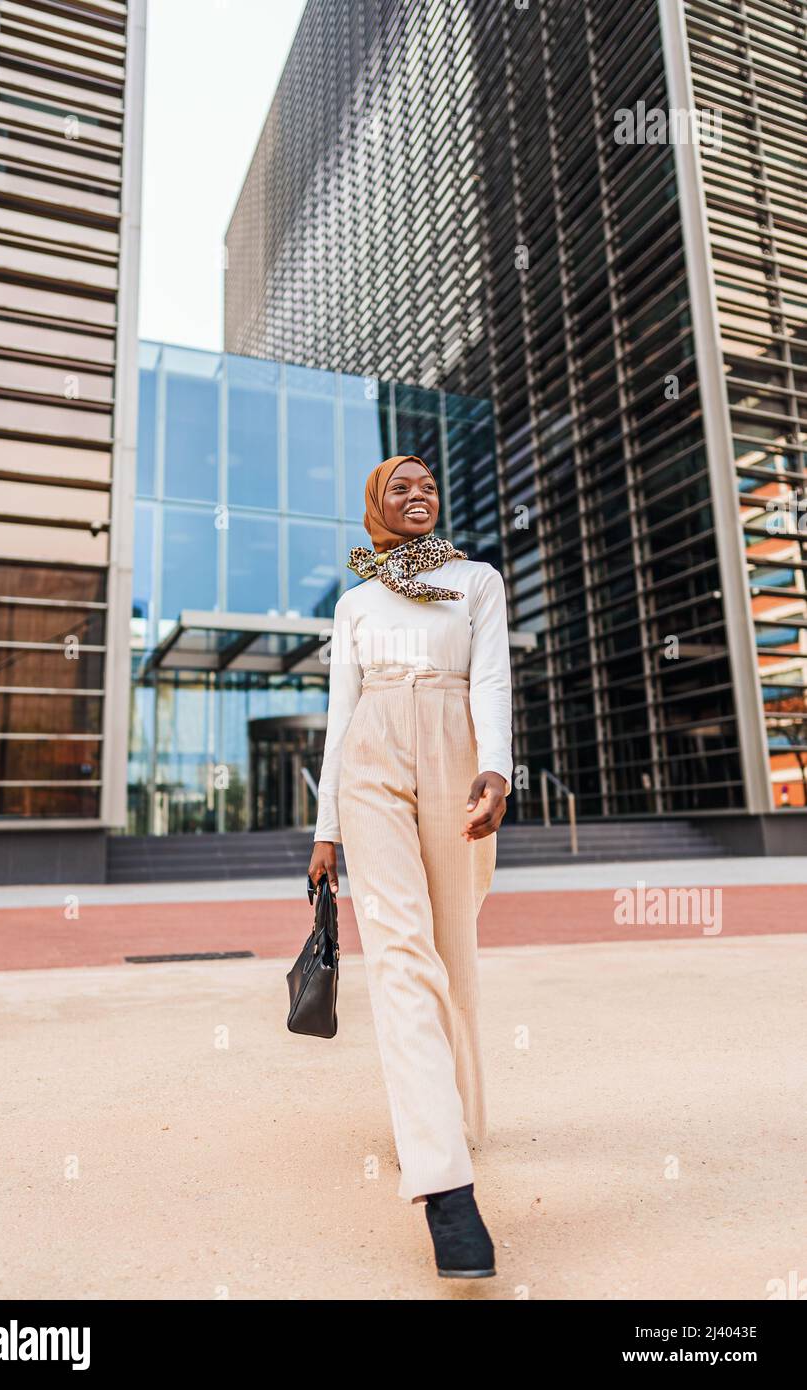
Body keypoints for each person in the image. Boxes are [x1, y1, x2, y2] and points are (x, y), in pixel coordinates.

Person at [307, 453, 513, 1279]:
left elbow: (493, 679)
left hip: (456, 747)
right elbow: (339, 714)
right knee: (398, 956)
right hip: (373, 758)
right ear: (375, 505)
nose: (418, 494)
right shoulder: (355, 602)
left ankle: (456, 1113)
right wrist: (325, 828)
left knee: (451, 955)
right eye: (402, 487)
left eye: (428, 486)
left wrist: (496, 767)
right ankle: (445, 1188)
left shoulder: (476, 582)